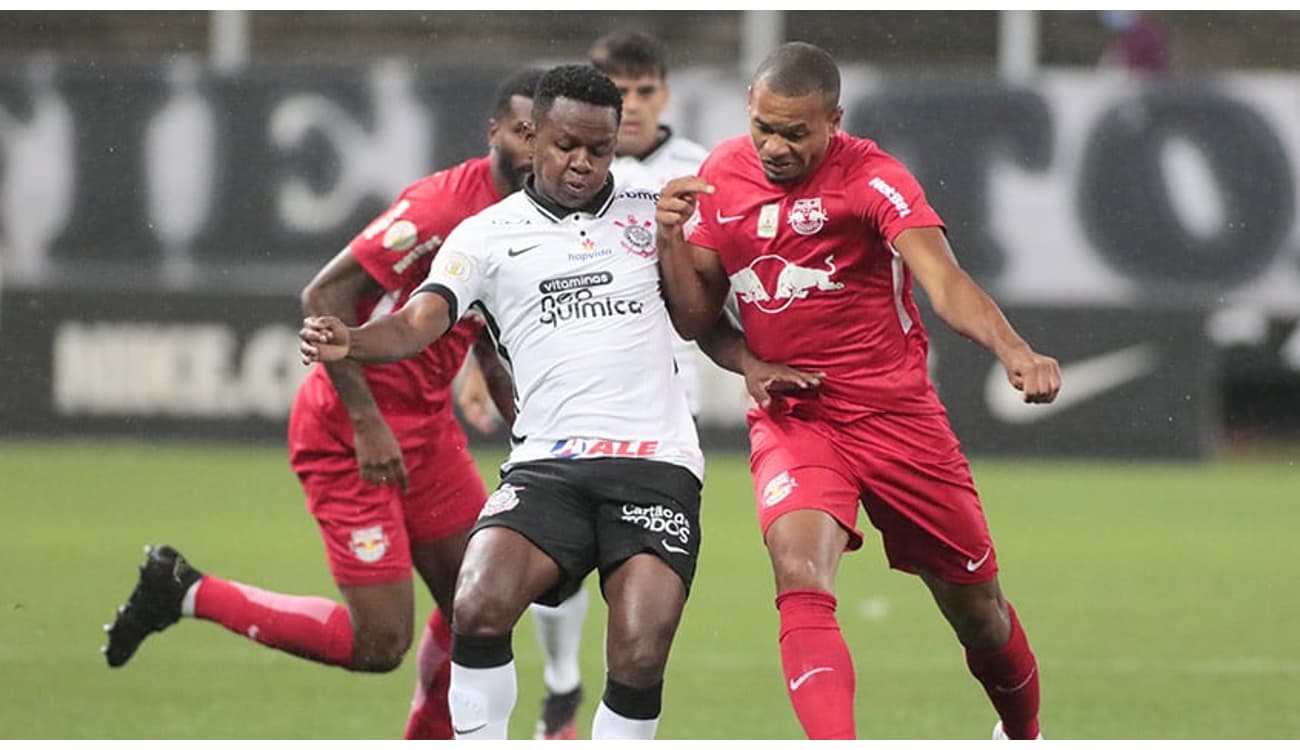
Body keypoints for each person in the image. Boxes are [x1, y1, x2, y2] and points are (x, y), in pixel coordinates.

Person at [299, 63, 766, 741]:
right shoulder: (484, 235)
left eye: (599, 150)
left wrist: (676, 248)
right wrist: (354, 341)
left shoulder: (648, 211)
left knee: (638, 650)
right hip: (549, 466)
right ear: (531, 133)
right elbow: (418, 320)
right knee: (479, 604)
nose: (582, 163)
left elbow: (698, 320)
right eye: (565, 145)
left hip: (655, 463)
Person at [101, 67, 544, 740]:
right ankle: (184, 588)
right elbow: (324, 299)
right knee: (380, 644)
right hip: (350, 432)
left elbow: (483, 320)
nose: (536, 150)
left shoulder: (524, 218)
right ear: (495, 133)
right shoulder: (439, 211)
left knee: (480, 607)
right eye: (523, 132)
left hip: (427, 431)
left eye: (551, 138)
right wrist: (367, 423)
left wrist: (525, 423)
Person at [654, 42, 1062, 740]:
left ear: (833, 120)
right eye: (764, 128)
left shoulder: (874, 179)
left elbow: (945, 283)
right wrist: (670, 245)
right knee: (799, 575)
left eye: (795, 132)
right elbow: (697, 318)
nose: (775, 147)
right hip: (795, 418)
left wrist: (1013, 349)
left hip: (897, 416)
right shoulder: (721, 175)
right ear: (748, 110)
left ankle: (1022, 734)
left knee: (977, 609)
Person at [516, 31, 714, 742]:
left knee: (640, 588)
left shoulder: (699, 171)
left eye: (643, 90)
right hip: (564, 399)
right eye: (616, 90)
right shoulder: (552, 176)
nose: (629, 106)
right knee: (551, 566)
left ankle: (604, 703)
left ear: (664, 93)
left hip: (660, 408)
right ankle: (563, 681)